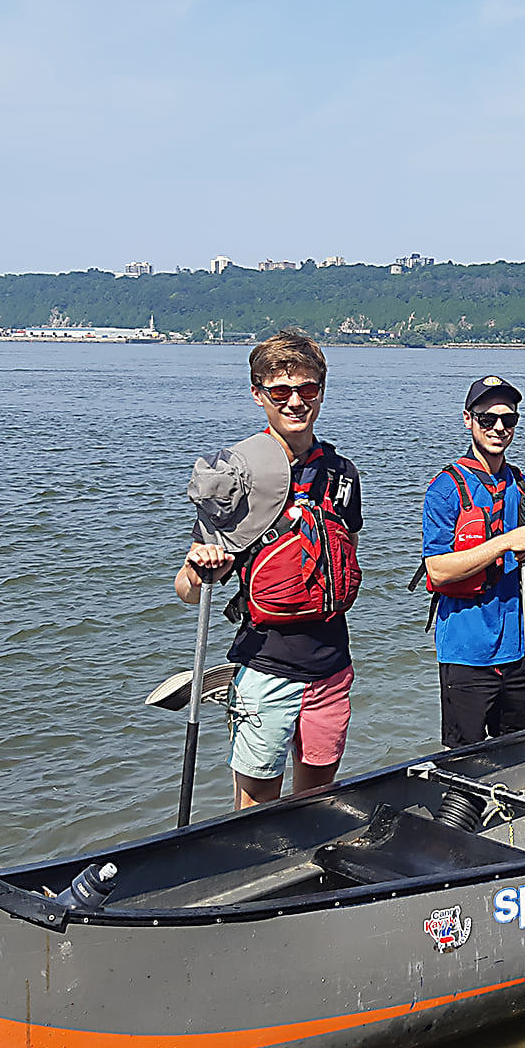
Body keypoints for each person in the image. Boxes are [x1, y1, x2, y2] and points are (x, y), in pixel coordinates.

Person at [176, 329, 362, 809]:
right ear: (258, 394)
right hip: (265, 667)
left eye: (308, 389)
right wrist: (203, 566)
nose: (296, 402)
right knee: (256, 807)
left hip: (332, 666)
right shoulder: (237, 475)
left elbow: (345, 556)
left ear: (321, 390)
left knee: (318, 800)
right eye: (281, 391)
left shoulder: (342, 474)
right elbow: (187, 589)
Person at [420, 375, 525, 748]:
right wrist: (503, 544)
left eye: (508, 420)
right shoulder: (446, 487)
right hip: (466, 651)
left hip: (519, 648)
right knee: (464, 759)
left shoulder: (521, 484)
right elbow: (437, 569)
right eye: (487, 419)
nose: (499, 428)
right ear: (468, 419)